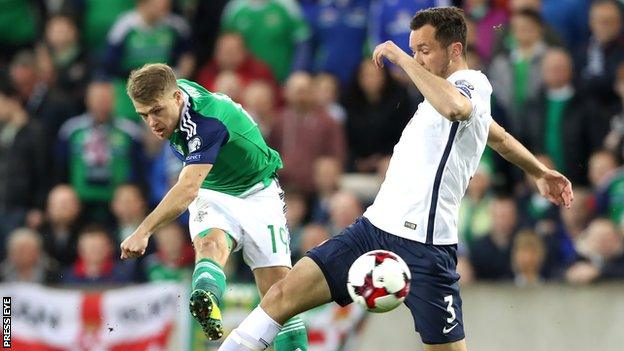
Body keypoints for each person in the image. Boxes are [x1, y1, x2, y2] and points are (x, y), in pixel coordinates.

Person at [218, 7, 573, 351]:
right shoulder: (437, 96)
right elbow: (496, 135)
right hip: (372, 229)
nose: (417, 58)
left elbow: (457, 108)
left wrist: (399, 58)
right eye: (414, 49)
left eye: (424, 50)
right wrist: (539, 171)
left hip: (426, 247)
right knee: (281, 295)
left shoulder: (470, 83)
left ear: (455, 50)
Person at [118, 63, 308, 350]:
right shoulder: (172, 88)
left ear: (177, 98)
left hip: (257, 192)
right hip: (214, 188)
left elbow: (187, 189)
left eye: (157, 111)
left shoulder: (206, 124)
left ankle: (209, 295)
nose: (152, 122)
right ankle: (206, 298)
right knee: (210, 246)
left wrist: (143, 230)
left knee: (280, 296)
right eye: (143, 115)